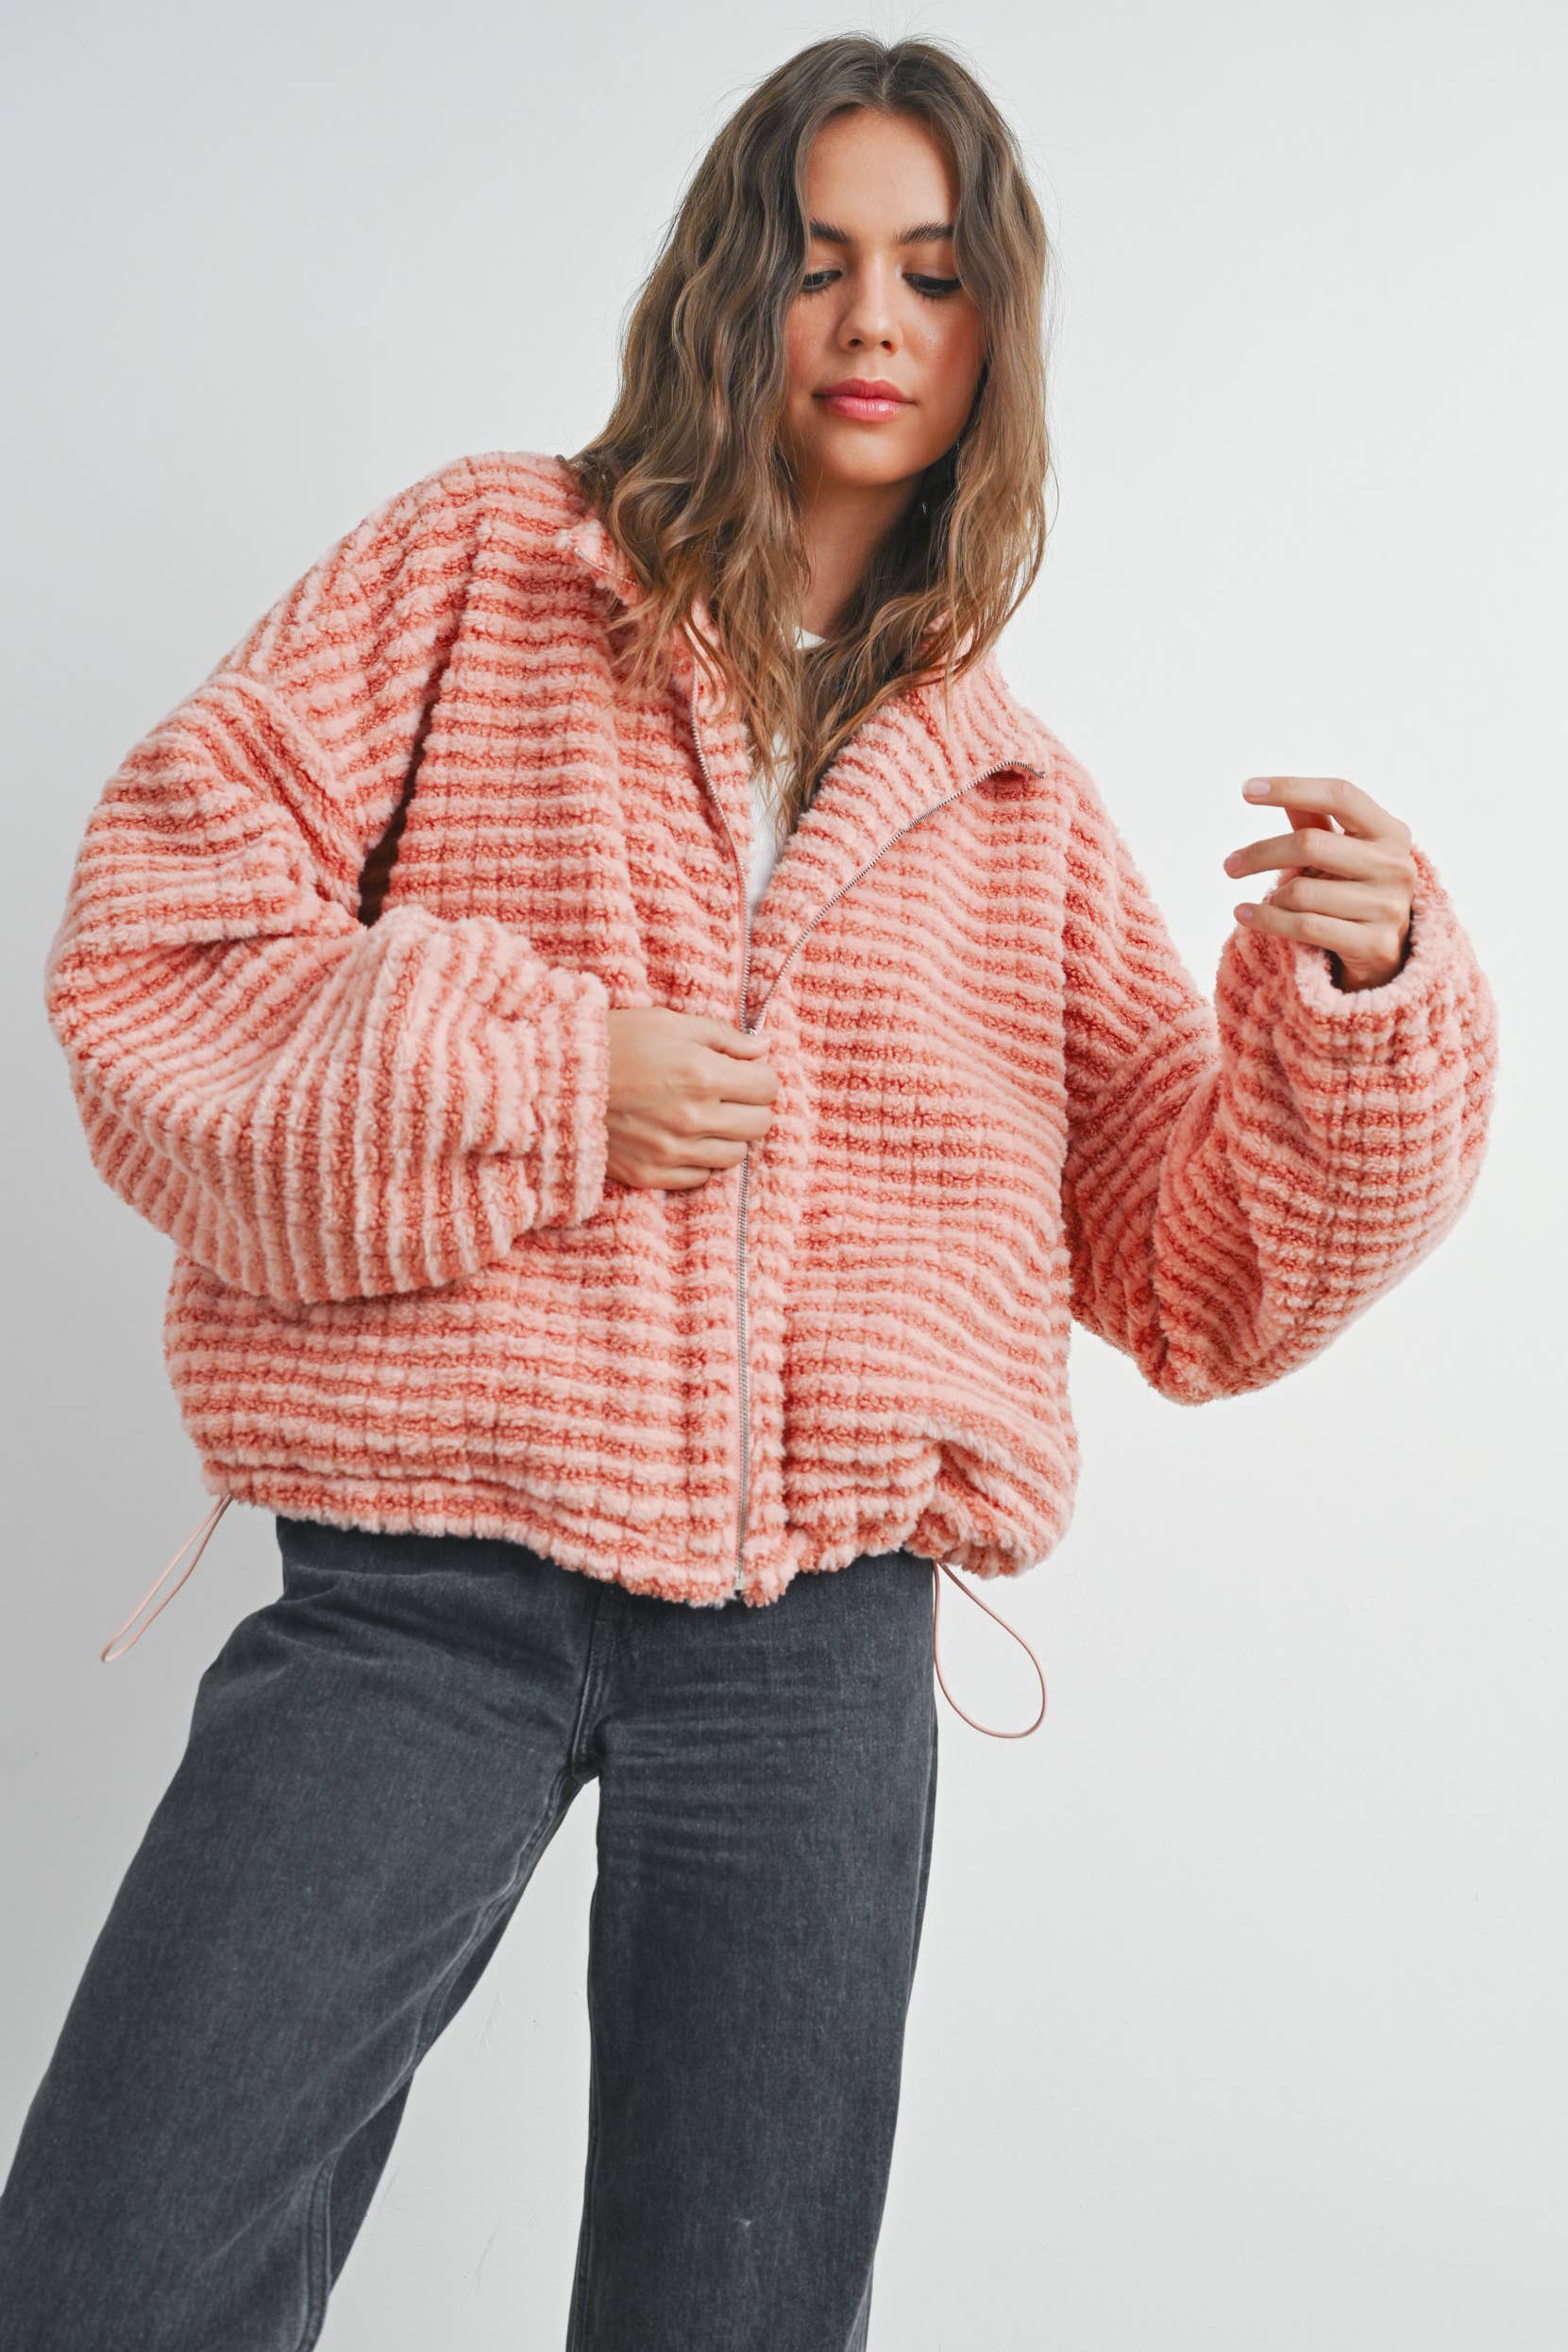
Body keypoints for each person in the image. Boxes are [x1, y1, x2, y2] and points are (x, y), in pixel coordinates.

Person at [0, 34, 1497, 2352]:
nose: (876, 319)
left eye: (935, 272)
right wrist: (549, 1075)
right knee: (109, 2267)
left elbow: (1202, 1268)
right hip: (422, 1580)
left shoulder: (1011, 800)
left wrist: (1368, 994)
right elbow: (155, 955)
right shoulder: (486, 569)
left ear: (993, 333)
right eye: (820, 260)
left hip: (817, 1650)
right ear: (734, 287)